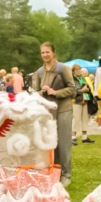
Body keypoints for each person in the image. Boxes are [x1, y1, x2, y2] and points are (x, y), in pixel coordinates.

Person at [34, 42, 75, 186]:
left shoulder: (62, 68)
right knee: (51, 143)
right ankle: (55, 173)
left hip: (63, 109)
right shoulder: (39, 72)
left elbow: (72, 89)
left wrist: (55, 92)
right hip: (47, 112)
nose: (45, 55)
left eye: (47, 52)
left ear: (53, 53)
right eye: (43, 52)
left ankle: (66, 175)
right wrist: (43, 92)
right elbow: (35, 92)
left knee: (64, 144)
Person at [72, 64, 94, 145]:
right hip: (76, 101)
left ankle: (84, 137)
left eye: (79, 69)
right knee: (76, 119)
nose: (78, 70)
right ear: (73, 71)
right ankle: (73, 137)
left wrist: (87, 89)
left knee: (85, 119)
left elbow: (88, 87)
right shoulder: (72, 79)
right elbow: (72, 91)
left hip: (85, 100)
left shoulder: (83, 78)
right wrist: (81, 90)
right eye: (76, 69)